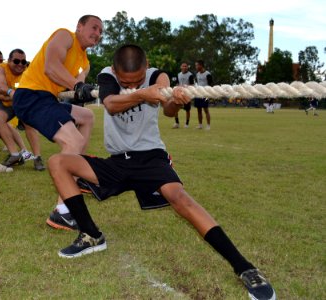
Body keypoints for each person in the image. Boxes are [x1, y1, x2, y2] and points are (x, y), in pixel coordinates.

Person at [47, 45, 276, 300]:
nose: (131, 86)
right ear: (114, 71)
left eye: (137, 81)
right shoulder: (107, 75)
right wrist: (143, 94)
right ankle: (91, 234)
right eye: (126, 82)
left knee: (179, 197)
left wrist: (176, 102)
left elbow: (167, 109)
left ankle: (245, 268)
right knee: (58, 162)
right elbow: (111, 104)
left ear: (146, 68)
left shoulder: (158, 76)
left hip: (151, 158)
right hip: (118, 161)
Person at [13, 15, 103, 230]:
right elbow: (50, 67)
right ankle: (61, 212)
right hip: (30, 96)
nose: (97, 34)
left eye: (101, 31)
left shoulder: (85, 62)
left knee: (87, 116)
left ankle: (75, 173)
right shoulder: (65, 36)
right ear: (79, 27)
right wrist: (76, 85)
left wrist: (86, 90)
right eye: (93, 27)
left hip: (47, 99)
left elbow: (76, 90)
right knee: (73, 141)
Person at [0, 48, 45, 170]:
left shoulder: (29, 71)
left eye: (23, 62)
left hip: (22, 103)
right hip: (5, 103)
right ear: (9, 61)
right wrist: (12, 92)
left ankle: (37, 158)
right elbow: (0, 85)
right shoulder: (1, 68)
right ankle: (14, 154)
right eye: (16, 61)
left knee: (29, 124)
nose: (20, 65)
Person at [172, 62, 194, 128]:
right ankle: (177, 123)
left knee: (187, 110)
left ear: (187, 67)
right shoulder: (178, 74)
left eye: (185, 66)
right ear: (181, 67)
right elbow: (177, 83)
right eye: (183, 66)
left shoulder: (190, 75)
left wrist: (186, 87)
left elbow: (192, 85)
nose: (184, 67)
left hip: (187, 94)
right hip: (179, 94)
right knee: (175, 108)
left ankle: (187, 124)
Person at [195, 60, 212, 130]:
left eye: (197, 65)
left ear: (201, 66)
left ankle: (208, 125)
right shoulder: (197, 74)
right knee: (198, 110)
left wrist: (208, 93)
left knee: (206, 110)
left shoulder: (208, 74)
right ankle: (200, 125)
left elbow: (210, 84)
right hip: (198, 94)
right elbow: (197, 83)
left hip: (205, 94)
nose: (196, 67)